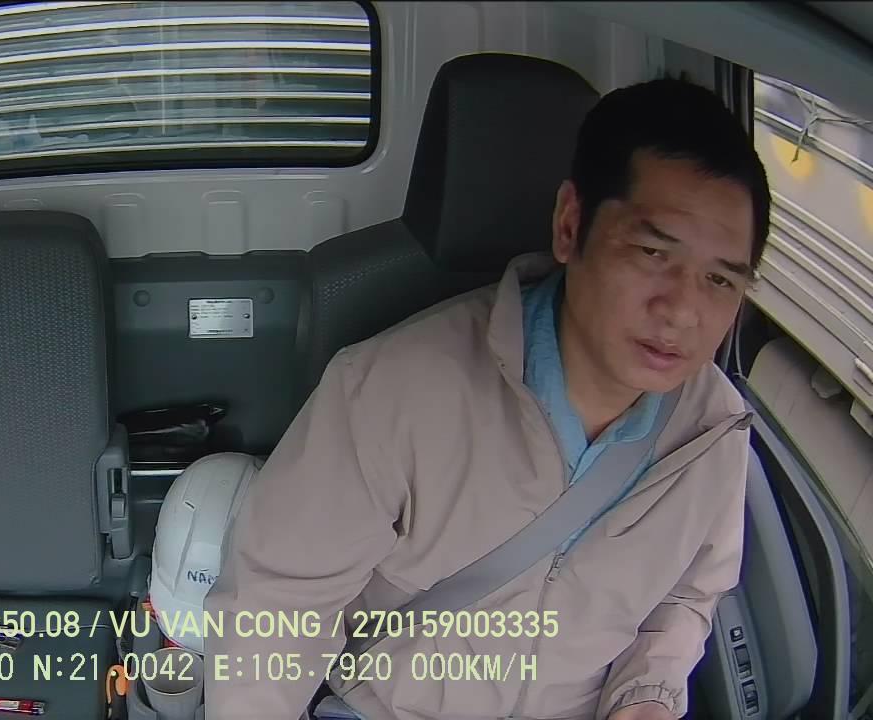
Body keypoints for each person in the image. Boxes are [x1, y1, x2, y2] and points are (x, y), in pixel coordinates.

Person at [204, 76, 768, 720]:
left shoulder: (713, 433)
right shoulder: (390, 389)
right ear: (570, 224)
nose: (682, 312)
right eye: (652, 251)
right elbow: (275, 614)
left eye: (719, 280)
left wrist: (647, 699)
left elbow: (687, 597)